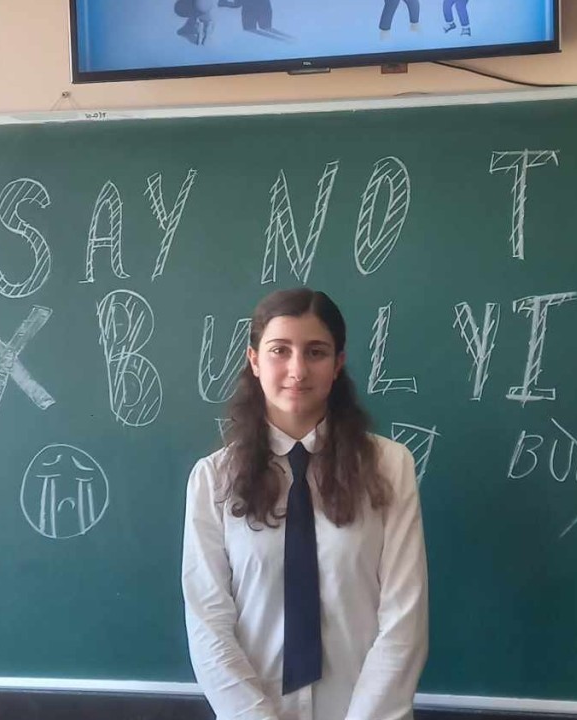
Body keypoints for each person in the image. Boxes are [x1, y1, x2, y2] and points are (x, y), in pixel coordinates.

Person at [182, 288, 429, 720]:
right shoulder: (213, 480)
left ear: (338, 363)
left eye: (316, 352)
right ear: (254, 360)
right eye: (280, 350)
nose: (297, 370)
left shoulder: (390, 467)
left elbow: (404, 619)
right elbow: (209, 624)